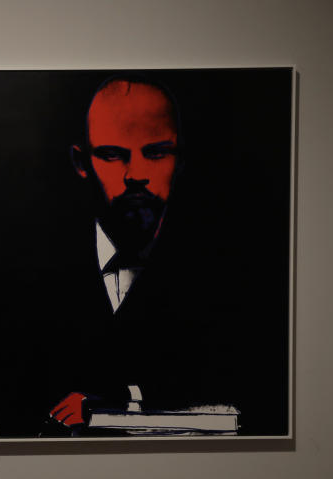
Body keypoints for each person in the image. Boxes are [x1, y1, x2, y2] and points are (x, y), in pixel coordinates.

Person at [45, 75, 240, 436]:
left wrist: (112, 403)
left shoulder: (225, 277)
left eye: (156, 153)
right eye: (113, 154)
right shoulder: (39, 271)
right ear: (80, 161)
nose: (136, 175)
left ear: (181, 159)